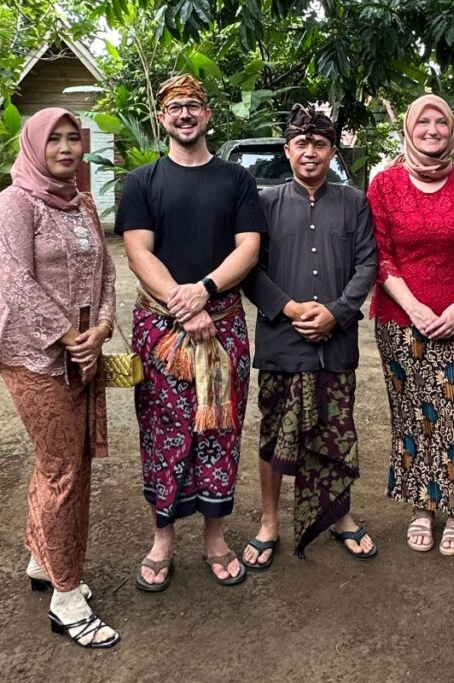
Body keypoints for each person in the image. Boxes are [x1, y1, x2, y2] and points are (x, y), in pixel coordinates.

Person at [115, 74, 264, 590]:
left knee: (219, 430)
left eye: (193, 106)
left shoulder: (235, 181)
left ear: (208, 115)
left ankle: (215, 536)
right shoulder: (142, 181)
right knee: (162, 431)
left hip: (222, 326)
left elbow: (248, 247)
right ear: (162, 118)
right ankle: (162, 540)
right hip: (160, 329)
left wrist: (204, 290)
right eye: (174, 107)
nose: (184, 114)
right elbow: (139, 252)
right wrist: (183, 306)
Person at [0, 108, 119, 647]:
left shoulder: (82, 202)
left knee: (66, 460)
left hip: (83, 350)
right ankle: (67, 597)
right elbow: (15, 283)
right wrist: (68, 336)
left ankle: (43, 559)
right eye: (55, 140)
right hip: (33, 354)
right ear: (34, 145)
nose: (66, 149)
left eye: (74, 140)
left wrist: (103, 327)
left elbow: (107, 272)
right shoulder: (12, 206)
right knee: (65, 466)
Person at [241, 104, 379, 567]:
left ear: (332, 150)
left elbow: (367, 265)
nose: (310, 151)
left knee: (335, 432)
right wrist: (291, 307)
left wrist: (337, 313)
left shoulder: (354, 202)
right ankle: (269, 521)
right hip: (282, 340)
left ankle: (340, 514)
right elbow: (249, 269)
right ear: (287, 150)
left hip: (335, 342)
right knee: (274, 434)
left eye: (319, 143)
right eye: (301, 143)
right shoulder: (265, 203)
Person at [366, 94, 454, 556]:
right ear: (409, 128)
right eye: (424, 122)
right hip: (401, 320)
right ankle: (422, 506)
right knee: (411, 415)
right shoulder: (384, 185)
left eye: (441, 122)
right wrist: (416, 308)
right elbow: (380, 254)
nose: (433, 130)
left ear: (452, 130)